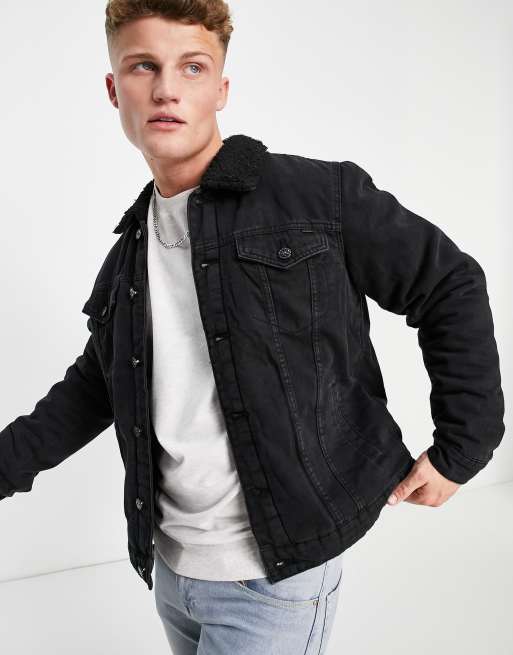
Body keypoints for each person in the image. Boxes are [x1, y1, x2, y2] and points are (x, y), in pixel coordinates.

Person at [0, 1, 505, 654]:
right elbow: (94, 386)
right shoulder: (130, 253)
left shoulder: (314, 196)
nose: (166, 88)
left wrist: (463, 445)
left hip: (275, 579)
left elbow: (447, 283)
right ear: (113, 89)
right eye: (142, 66)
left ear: (221, 88)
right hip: (170, 570)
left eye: (192, 66)